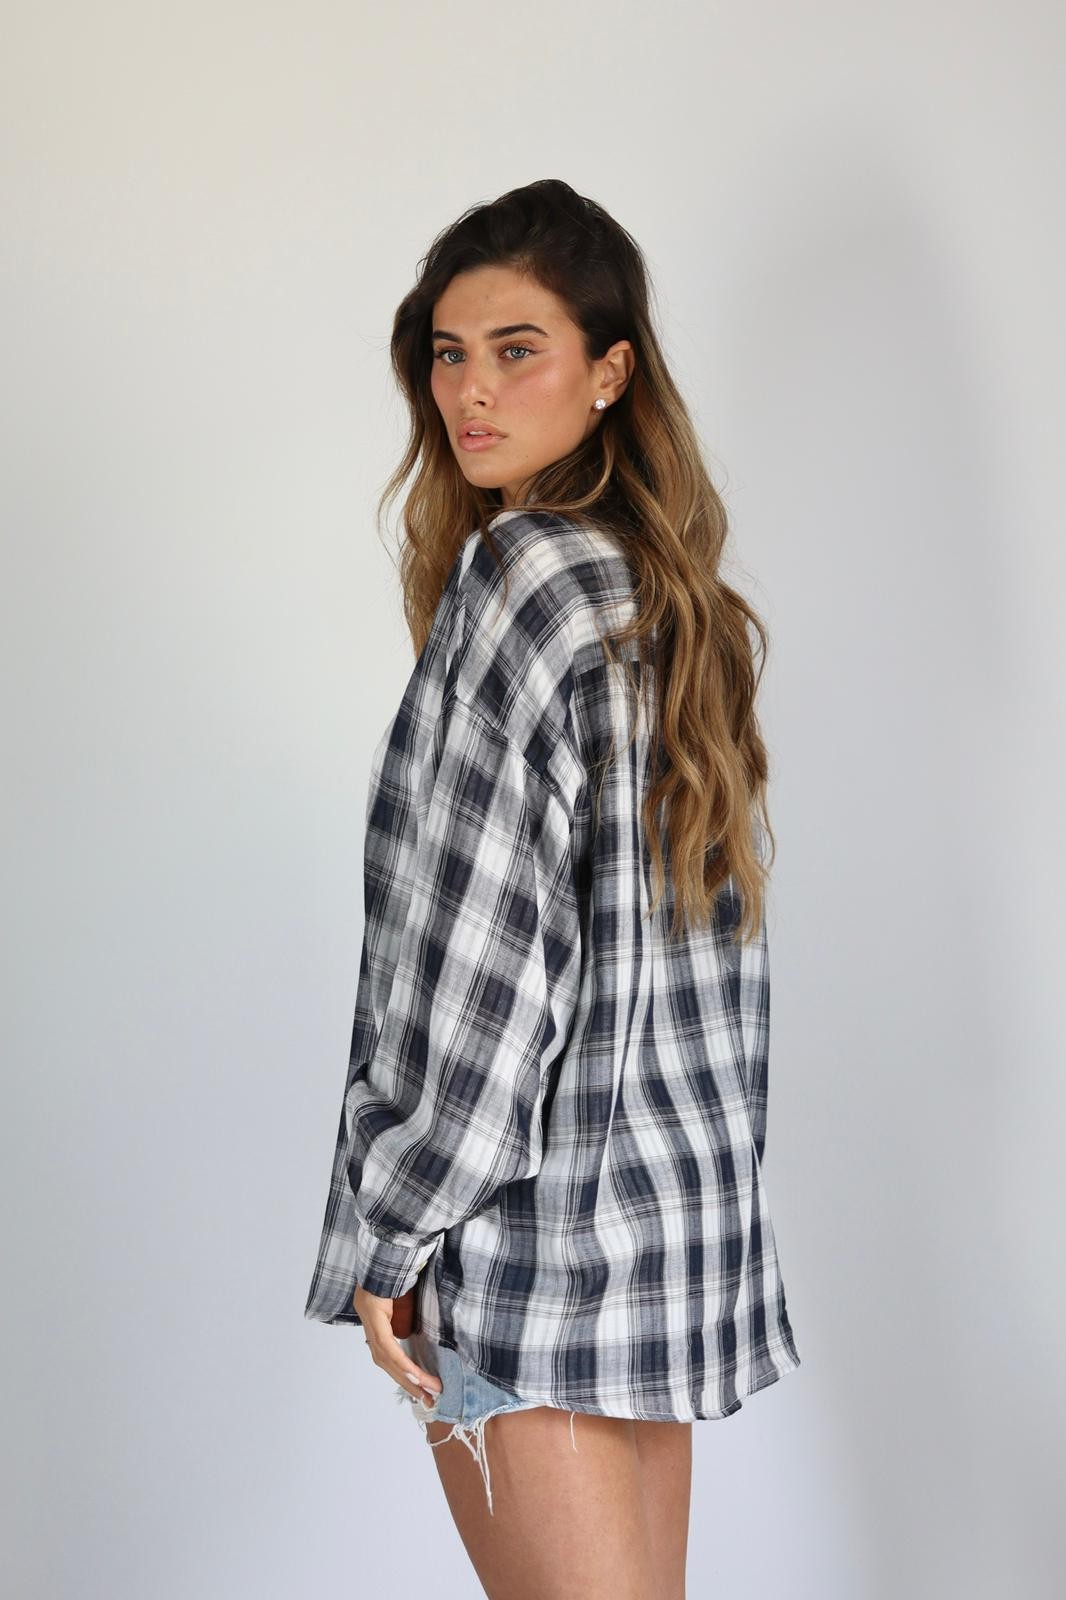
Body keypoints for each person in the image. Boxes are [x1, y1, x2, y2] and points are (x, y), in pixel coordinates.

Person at [304, 178, 802, 1600]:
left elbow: (487, 967)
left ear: (609, 369)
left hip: (531, 1246)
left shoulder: (523, 577)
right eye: (447, 354)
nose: (470, 390)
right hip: (667, 1232)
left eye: (516, 349)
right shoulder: (663, 591)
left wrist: (397, 1224)